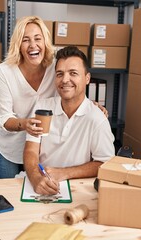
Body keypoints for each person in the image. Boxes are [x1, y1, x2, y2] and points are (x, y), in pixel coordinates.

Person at [0, 16, 108, 179]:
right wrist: (25, 124)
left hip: (36, 139)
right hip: (7, 139)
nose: (33, 45)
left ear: (45, 42)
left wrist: (90, 105)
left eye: (38, 38)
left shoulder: (55, 67)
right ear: (18, 45)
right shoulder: (5, 71)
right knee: (11, 187)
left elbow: (71, 85)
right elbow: (5, 118)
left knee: (32, 181)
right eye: (25, 40)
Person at [23, 46, 115, 195]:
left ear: (87, 79)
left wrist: (64, 173)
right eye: (60, 74)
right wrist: (35, 178)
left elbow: (105, 164)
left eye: (73, 73)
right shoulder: (43, 108)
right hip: (41, 183)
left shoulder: (97, 119)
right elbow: (31, 150)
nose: (65, 80)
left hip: (77, 189)